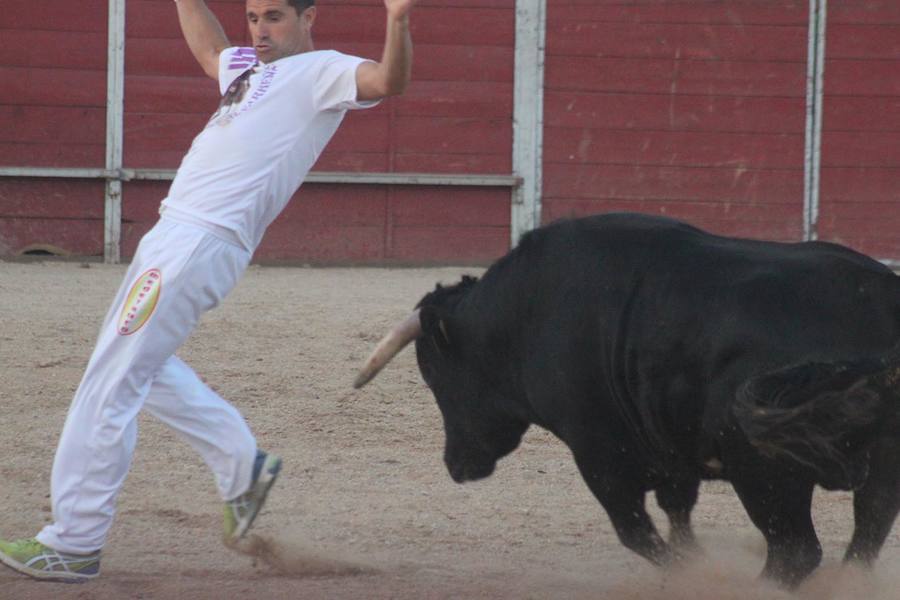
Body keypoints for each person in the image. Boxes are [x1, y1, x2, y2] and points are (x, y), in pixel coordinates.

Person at [0, 0, 417, 583]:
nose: (260, 30)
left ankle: (74, 540)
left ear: (308, 17)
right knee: (140, 367)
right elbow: (209, 50)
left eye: (273, 16)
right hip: (173, 236)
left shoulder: (323, 71)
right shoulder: (249, 66)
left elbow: (388, 80)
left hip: (198, 243)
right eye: (252, 17)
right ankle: (241, 465)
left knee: (111, 381)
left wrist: (396, 20)